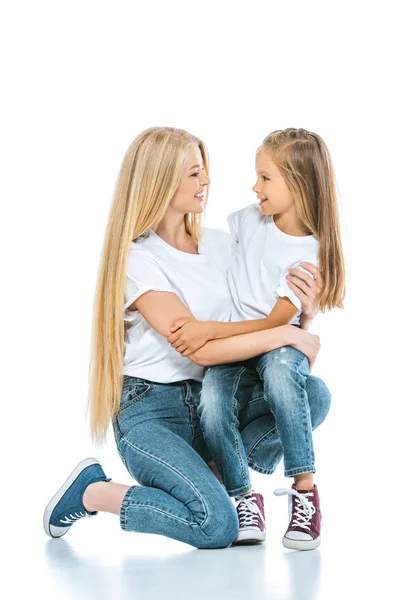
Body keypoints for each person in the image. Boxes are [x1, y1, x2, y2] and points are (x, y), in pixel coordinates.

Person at [43, 127, 328, 550]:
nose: (206, 182)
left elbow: (257, 323)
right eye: (194, 173)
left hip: (211, 401)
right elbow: (200, 347)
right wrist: (283, 332)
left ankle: (213, 474)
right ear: (160, 181)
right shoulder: (138, 259)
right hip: (151, 412)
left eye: (204, 171)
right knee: (215, 527)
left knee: (313, 395)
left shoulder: (222, 244)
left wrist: (303, 314)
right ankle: (93, 492)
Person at [166, 128, 345, 550]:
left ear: (297, 185)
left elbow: (275, 326)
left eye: (266, 178)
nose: (254, 187)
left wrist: (208, 329)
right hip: (238, 344)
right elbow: (210, 250)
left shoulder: (308, 254)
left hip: (276, 341)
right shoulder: (249, 219)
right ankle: (244, 496)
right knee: (212, 404)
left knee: (285, 378)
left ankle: (304, 489)